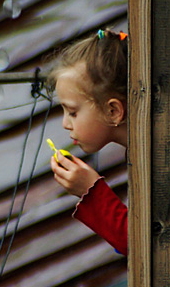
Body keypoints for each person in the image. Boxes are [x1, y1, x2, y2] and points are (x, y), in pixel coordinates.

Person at [46, 28, 128, 256]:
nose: (65, 123)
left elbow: (138, 241)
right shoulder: (140, 152)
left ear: (113, 111)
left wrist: (91, 191)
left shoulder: (160, 157)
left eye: (72, 112)